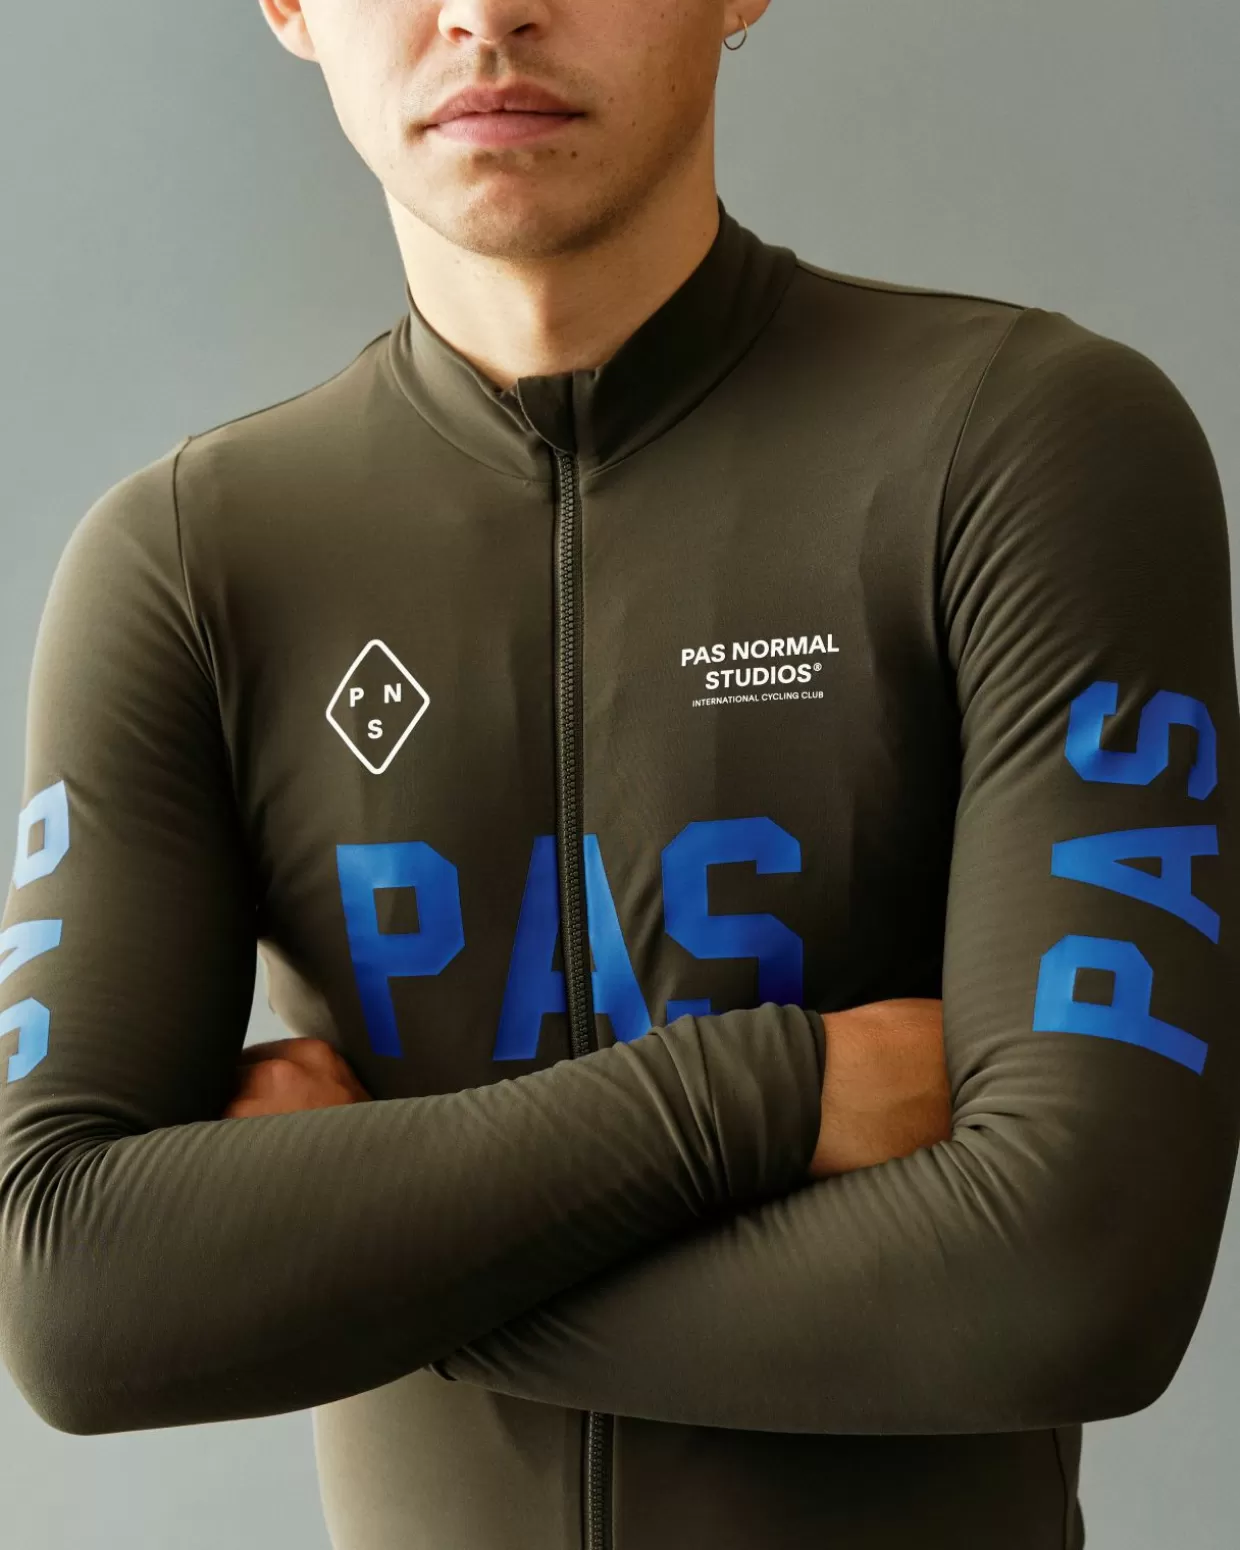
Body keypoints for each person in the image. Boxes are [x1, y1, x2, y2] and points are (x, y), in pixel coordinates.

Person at [0, 2, 1236, 1548]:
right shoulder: (190, 567)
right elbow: (73, 1299)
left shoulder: (1023, 450)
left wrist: (335, 1269)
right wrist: (774, 1093)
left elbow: (1076, 1280)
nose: (488, 13)